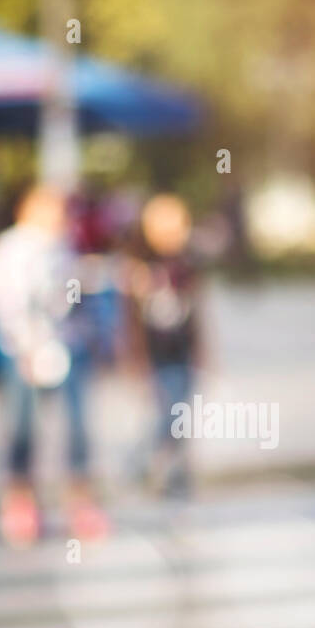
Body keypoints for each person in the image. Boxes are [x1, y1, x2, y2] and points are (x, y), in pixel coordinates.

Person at [0, 185, 109, 545]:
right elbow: (6, 303)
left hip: (68, 347)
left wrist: (85, 333)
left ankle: (81, 501)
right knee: (22, 428)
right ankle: (21, 501)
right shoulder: (10, 248)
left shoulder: (65, 247)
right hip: (23, 353)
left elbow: (75, 299)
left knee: (78, 427)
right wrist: (26, 348)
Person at [124, 193, 206, 499]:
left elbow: (198, 308)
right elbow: (130, 318)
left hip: (182, 349)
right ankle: (140, 463)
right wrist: (135, 357)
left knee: (182, 413)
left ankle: (176, 471)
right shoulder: (138, 264)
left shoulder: (188, 263)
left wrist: (203, 349)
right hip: (154, 352)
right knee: (164, 414)